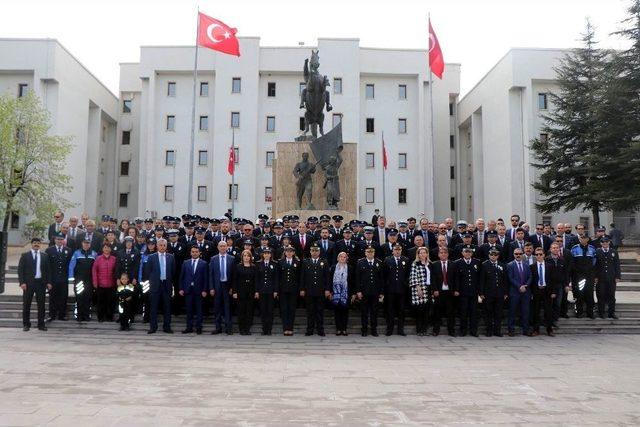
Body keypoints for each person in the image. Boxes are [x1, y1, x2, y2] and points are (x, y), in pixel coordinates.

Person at [18, 238, 51, 331]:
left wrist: (49, 282)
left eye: (38, 243)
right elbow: (20, 270)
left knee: (41, 305)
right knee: (26, 304)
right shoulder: (25, 256)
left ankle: (41, 324)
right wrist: (22, 282)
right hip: (28, 284)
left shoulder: (45, 256)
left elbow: (48, 270)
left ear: (40, 244)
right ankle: (26, 324)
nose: (36, 244)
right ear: (31, 244)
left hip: (41, 283)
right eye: (34, 243)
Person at [145, 238, 175, 334]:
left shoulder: (171, 257)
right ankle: (153, 327)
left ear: (166, 246)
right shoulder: (151, 257)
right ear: (157, 246)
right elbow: (147, 271)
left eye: (164, 245)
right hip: (155, 285)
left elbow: (173, 271)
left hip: (166, 284)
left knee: (167, 307)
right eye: (160, 245)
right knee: (153, 307)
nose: (162, 247)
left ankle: (167, 327)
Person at [299, 243, 330, 336]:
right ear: (310, 251)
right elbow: (302, 277)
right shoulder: (306, 262)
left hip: (320, 291)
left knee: (320, 311)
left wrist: (327, 289)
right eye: (313, 250)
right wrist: (302, 289)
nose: (315, 252)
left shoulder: (324, 262)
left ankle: (320, 330)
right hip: (309, 290)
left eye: (316, 250)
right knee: (310, 311)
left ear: (319, 251)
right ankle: (310, 330)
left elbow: (327, 277)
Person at [452, 247, 482, 337]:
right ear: (462, 253)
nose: (468, 253)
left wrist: (480, 292)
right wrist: (456, 290)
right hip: (462, 292)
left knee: (474, 312)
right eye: (466, 252)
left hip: (473, 291)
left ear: (472, 253)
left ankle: (473, 331)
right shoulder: (457, 263)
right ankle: (463, 330)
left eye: (469, 252)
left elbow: (480, 278)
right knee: (463, 312)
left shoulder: (477, 262)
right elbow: (456, 278)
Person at [356, 245, 385, 337]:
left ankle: (373, 329)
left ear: (374, 253)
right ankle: (364, 329)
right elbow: (357, 278)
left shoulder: (379, 262)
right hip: (364, 292)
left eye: (371, 252)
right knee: (364, 312)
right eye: (368, 252)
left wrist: (381, 292)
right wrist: (358, 291)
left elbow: (382, 279)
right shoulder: (360, 262)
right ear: (365, 253)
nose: (370, 253)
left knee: (374, 312)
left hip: (375, 292)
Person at [180, 246, 209, 334]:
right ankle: (189, 327)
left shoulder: (204, 263)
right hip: (188, 290)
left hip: (199, 290)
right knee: (189, 310)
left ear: (199, 253)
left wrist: (205, 290)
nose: (194, 253)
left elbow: (206, 278)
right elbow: (182, 277)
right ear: (190, 253)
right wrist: (181, 288)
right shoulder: (185, 263)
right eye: (193, 252)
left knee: (199, 310)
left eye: (196, 252)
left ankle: (199, 327)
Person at [383, 244, 410, 336]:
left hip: (402, 289)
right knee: (390, 310)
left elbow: (408, 274)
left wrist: (405, 284)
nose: (397, 251)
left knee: (401, 310)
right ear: (392, 250)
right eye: (395, 249)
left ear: (401, 250)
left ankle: (400, 329)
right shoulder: (387, 260)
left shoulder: (405, 260)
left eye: (399, 249)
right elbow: (384, 275)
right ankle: (389, 329)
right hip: (390, 289)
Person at [479, 248, 508, 337]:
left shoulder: (502, 265)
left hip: (499, 293)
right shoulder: (484, 265)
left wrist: (505, 292)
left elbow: (505, 280)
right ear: (489, 255)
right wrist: (481, 293)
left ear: (498, 256)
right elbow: (481, 280)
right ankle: (489, 331)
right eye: (491, 254)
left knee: (498, 313)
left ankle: (497, 331)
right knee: (488, 313)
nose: (493, 256)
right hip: (488, 293)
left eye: (495, 255)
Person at [209, 241, 235, 335]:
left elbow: (233, 275)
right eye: (221, 246)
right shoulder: (213, 259)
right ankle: (218, 327)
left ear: (227, 247)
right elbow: (211, 275)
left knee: (227, 307)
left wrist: (232, 287)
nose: (223, 248)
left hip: (227, 286)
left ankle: (228, 328)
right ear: (218, 247)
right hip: (217, 285)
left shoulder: (232, 258)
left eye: (224, 246)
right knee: (217, 307)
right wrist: (211, 288)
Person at [44, 232, 72, 321]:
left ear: (63, 240)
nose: (59, 241)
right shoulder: (49, 250)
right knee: (53, 297)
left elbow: (69, 265)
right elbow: (47, 267)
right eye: (58, 239)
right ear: (55, 240)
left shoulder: (68, 250)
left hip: (64, 279)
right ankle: (51, 315)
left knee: (63, 297)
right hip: (53, 279)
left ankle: (62, 315)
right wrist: (48, 281)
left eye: (61, 239)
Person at [68, 238, 97, 322]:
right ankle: (79, 316)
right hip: (79, 280)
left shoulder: (94, 254)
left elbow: (96, 267)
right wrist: (71, 278)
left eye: (88, 243)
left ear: (90, 244)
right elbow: (71, 266)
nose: (86, 244)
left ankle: (87, 315)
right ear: (82, 243)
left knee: (88, 298)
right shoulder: (76, 253)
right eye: (85, 243)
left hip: (89, 280)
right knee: (79, 297)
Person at [530, 247, 556, 336]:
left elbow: (553, 280)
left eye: (540, 254)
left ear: (544, 255)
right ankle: (536, 329)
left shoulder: (550, 266)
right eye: (537, 254)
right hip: (536, 290)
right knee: (536, 311)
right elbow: (531, 281)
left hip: (547, 290)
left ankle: (549, 329)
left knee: (548, 311)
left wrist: (553, 292)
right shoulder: (532, 267)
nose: (539, 256)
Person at [506, 248, 532, 336]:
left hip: (525, 292)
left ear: (522, 254)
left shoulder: (526, 265)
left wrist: (526, 285)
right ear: (513, 254)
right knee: (512, 311)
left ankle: (526, 330)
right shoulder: (510, 265)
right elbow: (510, 278)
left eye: (520, 254)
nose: (518, 255)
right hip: (514, 292)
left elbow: (530, 277)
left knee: (526, 312)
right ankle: (511, 330)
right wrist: (519, 286)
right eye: (516, 254)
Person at [570, 234, 597, 319]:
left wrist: (592, 273)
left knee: (589, 294)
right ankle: (579, 312)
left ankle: (590, 313)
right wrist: (577, 273)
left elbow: (594, 262)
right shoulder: (574, 249)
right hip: (579, 276)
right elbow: (572, 263)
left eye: (585, 238)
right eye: (581, 238)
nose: (583, 239)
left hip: (589, 276)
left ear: (588, 239)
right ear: (579, 239)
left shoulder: (592, 249)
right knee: (579, 294)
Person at [430, 247, 456, 336]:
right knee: (437, 312)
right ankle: (436, 330)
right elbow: (432, 279)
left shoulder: (453, 264)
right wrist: (435, 290)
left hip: (450, 292)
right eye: (441, 253)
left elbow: (456, 279)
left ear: (448, 254)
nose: (443, 254)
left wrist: (456, 290)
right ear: (438, 254)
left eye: (445, 253)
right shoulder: (434, 264)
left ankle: (451, 330)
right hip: (439, 292)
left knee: (450, 313)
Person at [594, 237, 621, 319]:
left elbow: (617, 265)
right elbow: (595, 265)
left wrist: (617, 276)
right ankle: (601, 313)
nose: (605, 243)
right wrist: (595, 276)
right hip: (600, 278)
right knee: (600, 295)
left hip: (611, 278)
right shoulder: (597, 251)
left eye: (606, 242)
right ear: (601, 243)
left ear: (609, 242)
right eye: (603, 242)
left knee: (611, 296)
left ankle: (611, 313)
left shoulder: (614, 252)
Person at [231, 250, 257, 335]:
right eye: (244, 256)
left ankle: (247, 329)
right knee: (241, 311)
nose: (246, 257)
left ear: (250, 257)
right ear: (242, 257)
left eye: (248, 256)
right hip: (240, 292)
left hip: (250, 292)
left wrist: (256, 291)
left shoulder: (253, 267)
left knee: (249, 311)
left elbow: (256, 281)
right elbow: (234, 280)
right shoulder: (238, 266)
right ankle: (241, 329)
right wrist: (234, 291)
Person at [255, 247, 279, 335]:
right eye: (265, 253)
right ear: (263, 254)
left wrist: (276, 290)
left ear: (270, 255)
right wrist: (256, 291)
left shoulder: (274, 264)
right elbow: (257, 279)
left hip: (271, 291)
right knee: (263, 310)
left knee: (270, 310)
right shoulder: (258, 264)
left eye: (268, 253)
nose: (267, 255)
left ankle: (269, 329)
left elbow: (276, 278)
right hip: (261, 290)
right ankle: (264, 329)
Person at [408, 247, 432, 336]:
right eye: (420, 253)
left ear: (427, 254)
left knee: (426, 311)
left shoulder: (430, 264)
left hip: (428, 289)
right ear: (418, 254)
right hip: (419, 289)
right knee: (420, 311)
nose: (422, 254)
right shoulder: (415, 264)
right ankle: (419, 330)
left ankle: (425, 330)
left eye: (424, 253)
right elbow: (413, 276)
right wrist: (418, 288)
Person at [278, 245, 300, 336]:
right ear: (285, 252)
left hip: (293, 290)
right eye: (287, 251)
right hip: (283, 289)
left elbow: (299, 277)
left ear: (294, 253)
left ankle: (290, 328)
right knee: (284, 309)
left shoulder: (297, 262)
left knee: (291, 309)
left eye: (291, 251)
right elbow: (278, 277)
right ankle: (285, 328)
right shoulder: (280, 262)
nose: (289, 253)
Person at [91, 244, 117, 322]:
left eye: (108, 247)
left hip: (111, 284)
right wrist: (95, 282)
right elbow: (94, 270)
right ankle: (101, 317)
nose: (106, 249)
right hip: (101, 284)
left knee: (110, 302)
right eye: (105, 247)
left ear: (110, 249)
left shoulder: (114, 259)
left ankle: (109, 317)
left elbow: (116, 271)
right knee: (101, 302)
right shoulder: (98, 258)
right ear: (102, 249)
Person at [330, 252, 354, 336]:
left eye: (344, 257)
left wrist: (353, 293)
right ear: (337, 258)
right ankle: (338, 329)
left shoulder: (350, 268)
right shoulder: (333, 267)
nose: (342, 258)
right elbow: (330, 279)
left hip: (346, 293)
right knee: (337, 311)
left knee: (345, 311)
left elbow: (353, 281)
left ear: (346, 259)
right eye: (341, 257)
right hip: (336, 292)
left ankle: (344, 329)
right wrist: (330, 291)